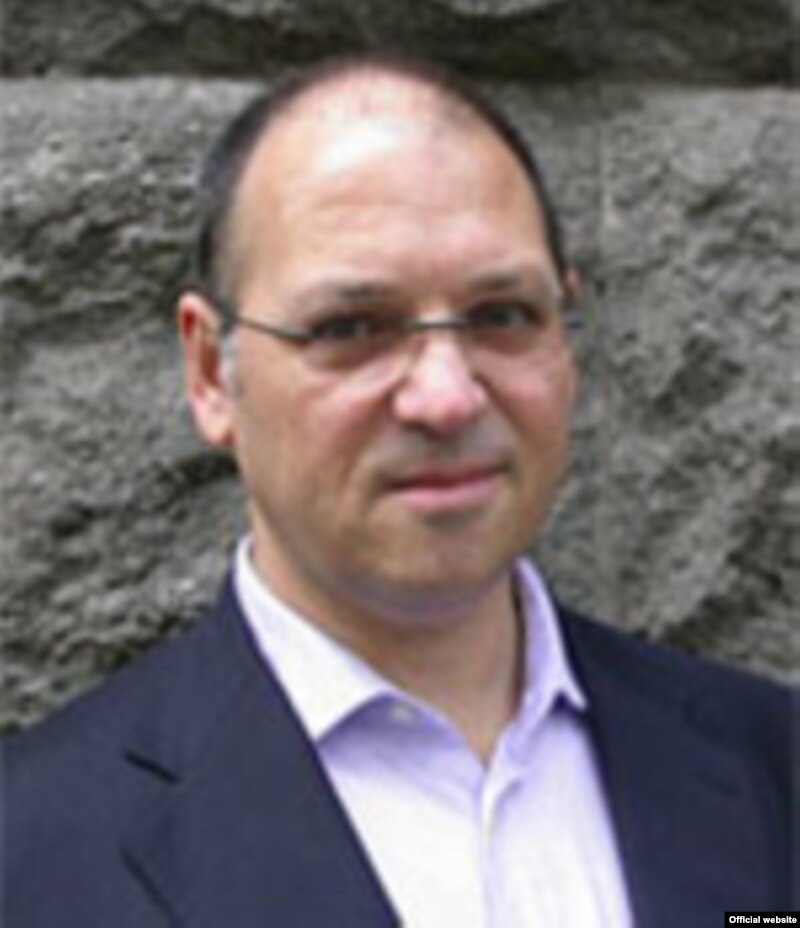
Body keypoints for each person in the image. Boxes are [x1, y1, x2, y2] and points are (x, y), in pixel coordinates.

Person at [3, 54, 793, 928]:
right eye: (351, 327)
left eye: (502, 315)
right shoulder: (33, 856)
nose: (446, 397)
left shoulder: (776, 772)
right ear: (211, 373)